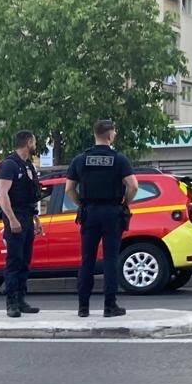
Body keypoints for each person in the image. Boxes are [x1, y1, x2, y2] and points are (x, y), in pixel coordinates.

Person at [66, 119, 138, 318]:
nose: (115, 134)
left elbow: (69, 189)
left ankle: (83, 307)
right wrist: (125, 203)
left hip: (89, 212)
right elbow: (133, 186)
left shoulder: (80, 160)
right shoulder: (119, 159)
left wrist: (81, 203)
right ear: (109, 135)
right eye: (114, 132)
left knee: (87, 260)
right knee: (110, 259)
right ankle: (109, 306)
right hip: (112, 212)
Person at [0, 130, 43, 317]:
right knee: (14, 260)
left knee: (25, 260)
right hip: (14, 217)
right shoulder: (9, 165)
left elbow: (31, 195)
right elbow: (2, 194)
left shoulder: (28, 165)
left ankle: (22, 299)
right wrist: (12, 219)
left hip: (27, 216)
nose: (35, 145)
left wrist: (36, 218)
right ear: (28, 142)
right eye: (34, 142)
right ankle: (11, 302)